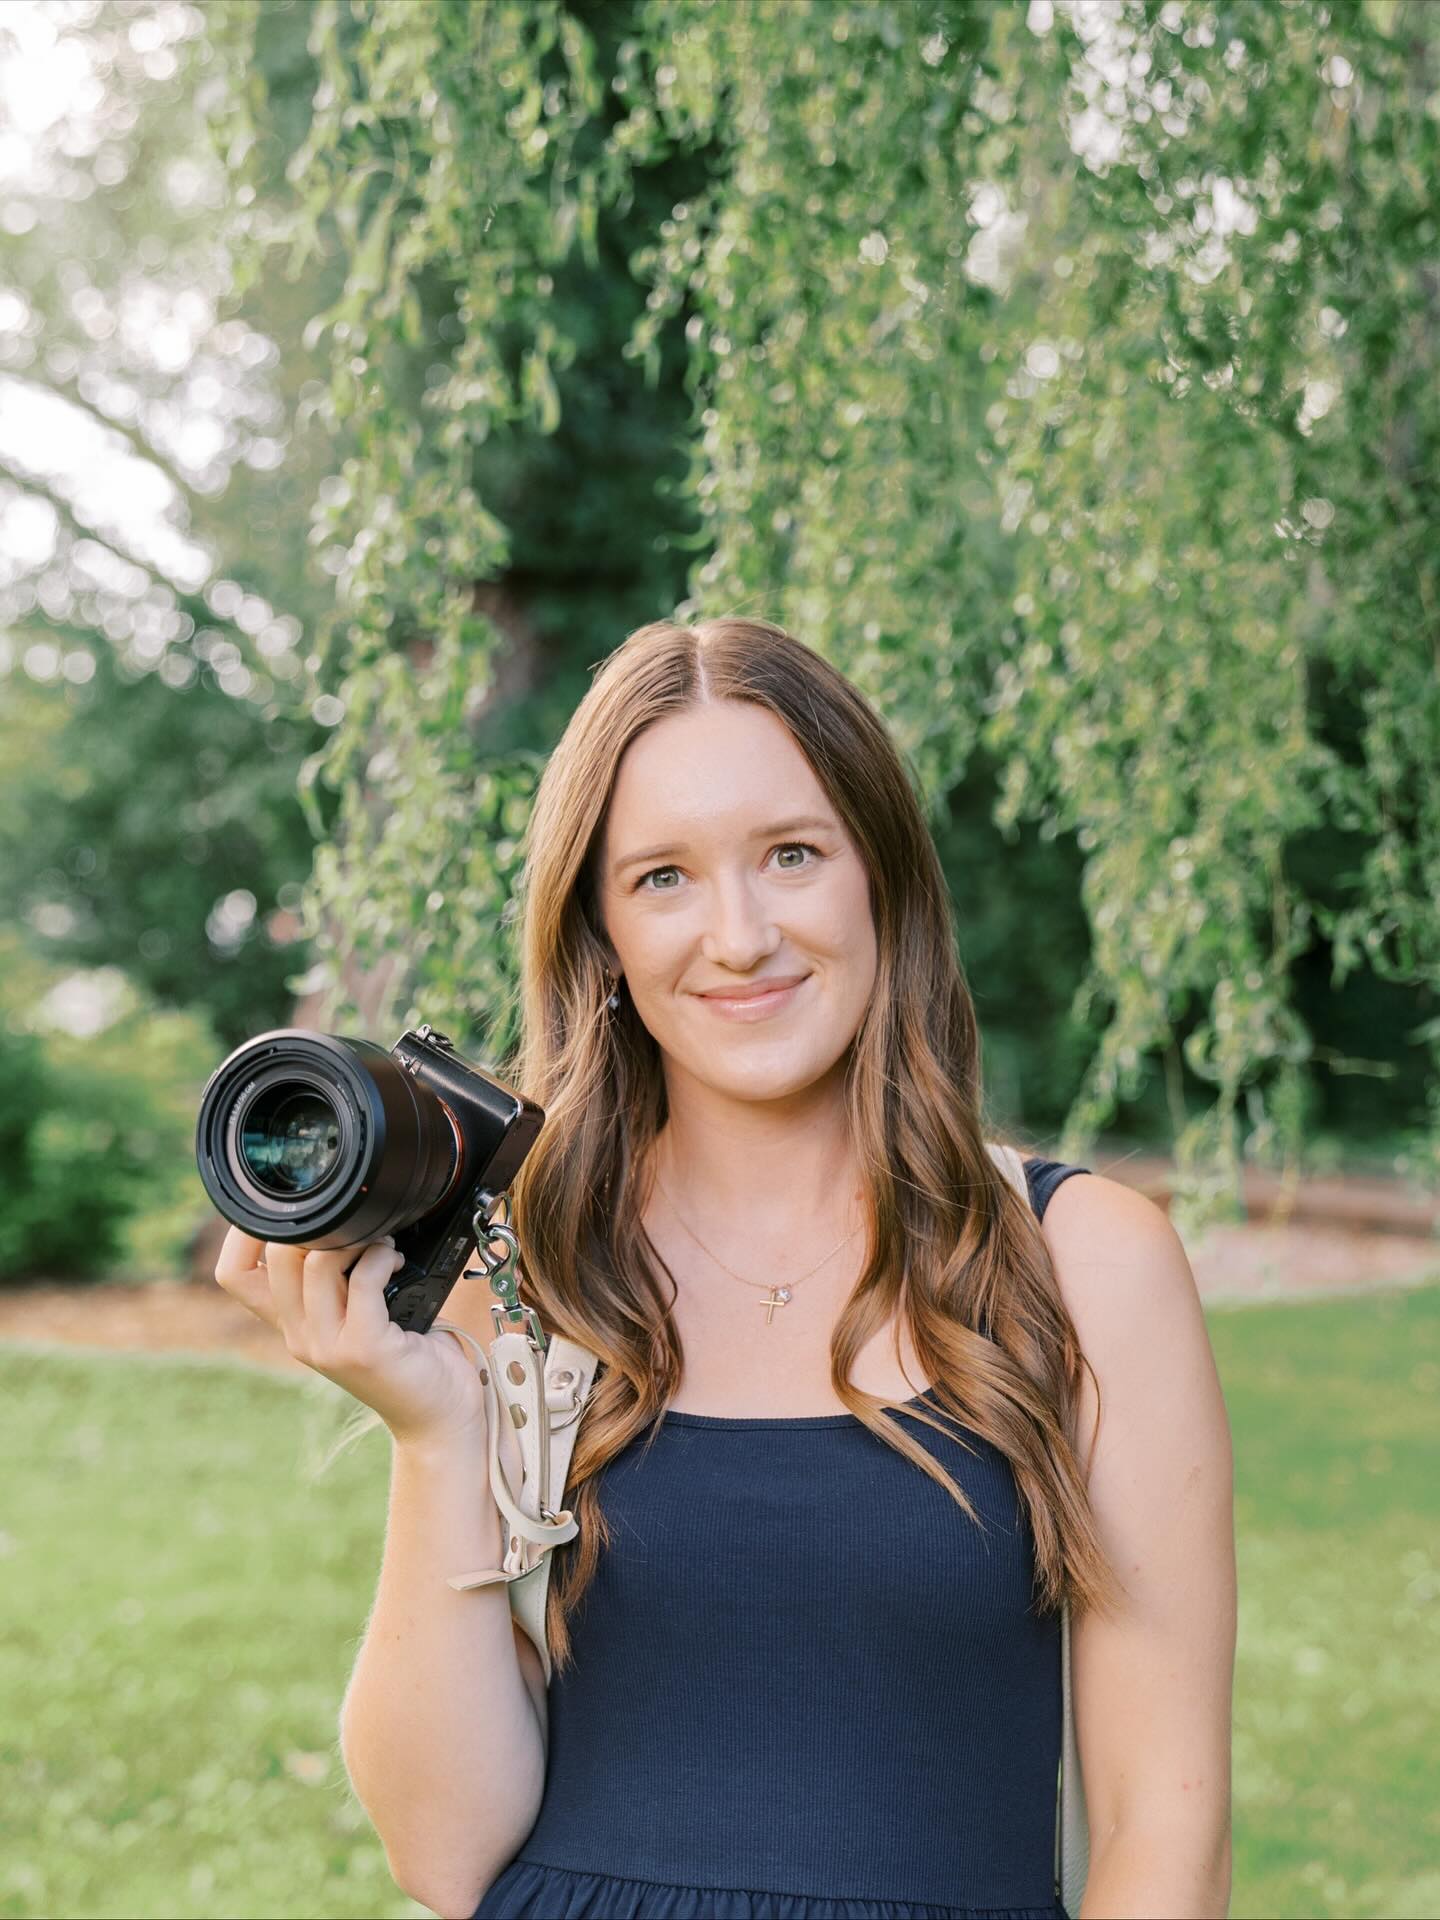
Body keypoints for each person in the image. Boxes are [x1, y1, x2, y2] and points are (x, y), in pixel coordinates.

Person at [216, 616, 1236, 1920]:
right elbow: (445, 1853)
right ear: (600, 930)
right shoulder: (524, 1265)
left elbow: (1169, 1832)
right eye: (663, 878)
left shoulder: (1081, 1262)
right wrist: (432, 1434)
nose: (739, 936)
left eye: (793, 856)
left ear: (883, 877)